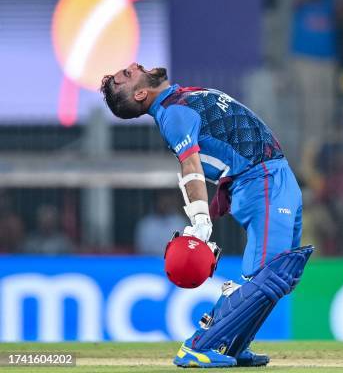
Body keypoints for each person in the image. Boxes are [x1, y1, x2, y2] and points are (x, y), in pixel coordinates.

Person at [100, 63, 311, 368]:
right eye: (129, 75)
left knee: (284, 275)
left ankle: (234, 346)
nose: (134, 65)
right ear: (141, 93)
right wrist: (200, 220)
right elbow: (190, 166)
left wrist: (224, 185)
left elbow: (220, 146)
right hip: (261, 181)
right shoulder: (172, 115)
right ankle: (198, 346)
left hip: (273, 175)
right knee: (272, 273)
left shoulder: (178, 100)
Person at [134, 190, 186, 256]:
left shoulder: (180, 222)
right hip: (151, 263)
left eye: (167, 200)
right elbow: (141, 250)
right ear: (156, 202)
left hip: (173, 262)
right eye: (161, 200)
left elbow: (183, 249)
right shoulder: (145, 224)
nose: (164, 203)